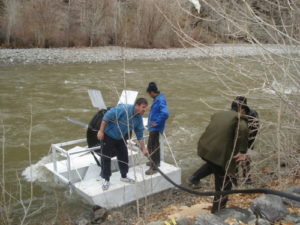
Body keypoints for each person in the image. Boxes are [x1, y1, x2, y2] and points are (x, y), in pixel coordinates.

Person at [187, 103, 249, 213]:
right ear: (240, 109)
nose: (245, 113)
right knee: (224, 183)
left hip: (205, 149)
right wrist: (243, 151)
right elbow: (243, 128)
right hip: (217, 153)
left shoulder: (219, 114)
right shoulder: (238, 118)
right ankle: (218, 211)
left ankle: (193, 178)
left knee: (213, 164)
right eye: (244, 110)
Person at [97, 98, 149, 191]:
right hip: (108, 135)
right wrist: (101, 131)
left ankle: (124, 176)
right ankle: (106, 179)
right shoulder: (123, 109)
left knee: (123, 156)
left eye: (145, 108)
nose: (144, 110)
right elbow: (106, 117)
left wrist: (144, 148)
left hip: (121, 137)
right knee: (106, 157)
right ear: (136, 105)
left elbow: (140, 134)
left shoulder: (138, 119)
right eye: (143, 107)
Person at [231, 96, 259, 184]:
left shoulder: (251, 115)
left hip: (247, 139)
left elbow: (253, 131)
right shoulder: (252, 113)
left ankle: (245, 180)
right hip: (246, 139)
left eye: (237, 108)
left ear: (243, 108)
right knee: (238, 159)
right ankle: (239, 180)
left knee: (243, 159)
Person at [145, 82, 169, 175]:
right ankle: (155, 162)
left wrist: (157, 123)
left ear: (152, 92)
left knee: (153, 146)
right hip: (153, 127)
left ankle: (154, 168)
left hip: (156, 128)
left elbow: (165, 113)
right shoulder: (157, 98)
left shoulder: (160, 100)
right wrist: (150, 123)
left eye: (149, 93)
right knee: (153, 145)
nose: (149, 95)